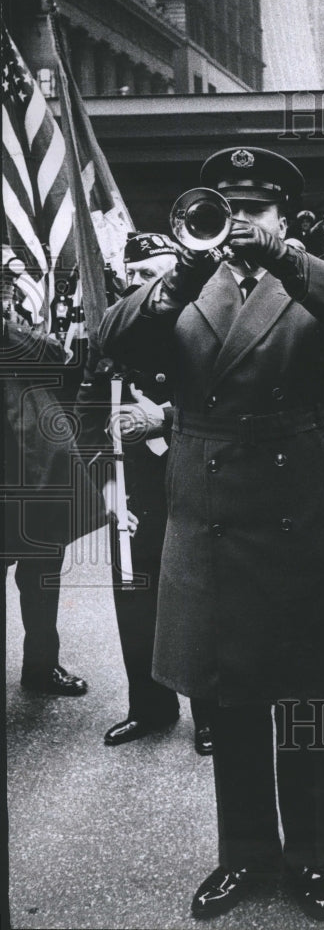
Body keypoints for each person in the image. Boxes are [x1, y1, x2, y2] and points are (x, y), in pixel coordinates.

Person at [98, 146, 324, 921]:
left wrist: (290, 260)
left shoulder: (312, 277)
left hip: (300, 505)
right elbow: (112, 340)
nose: (237, 224)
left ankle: (309, 858)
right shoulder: (186, 279)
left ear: (283, 218)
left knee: (302, 695)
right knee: (229, 697)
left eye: (255, 210)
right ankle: (244, 856)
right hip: (214, 511)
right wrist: (181, 280)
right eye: (224, 208)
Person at [76, 233, 211, 752]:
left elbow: (222, 409)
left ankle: (210, 714)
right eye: (132, 277)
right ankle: (150, 707)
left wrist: (161, 423)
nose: (141, 288)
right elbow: (86, 419)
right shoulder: (111, 338)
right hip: (129, 491)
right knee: (134, 599)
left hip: (194, 481)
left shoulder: (201, 329)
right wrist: (109, 493)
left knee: (197, 599)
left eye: (151, 275)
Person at [2, 288, 104, 697]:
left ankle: (42, 667)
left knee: (42, 572)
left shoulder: (12, 331)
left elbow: (55, 355)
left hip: (33, 469)